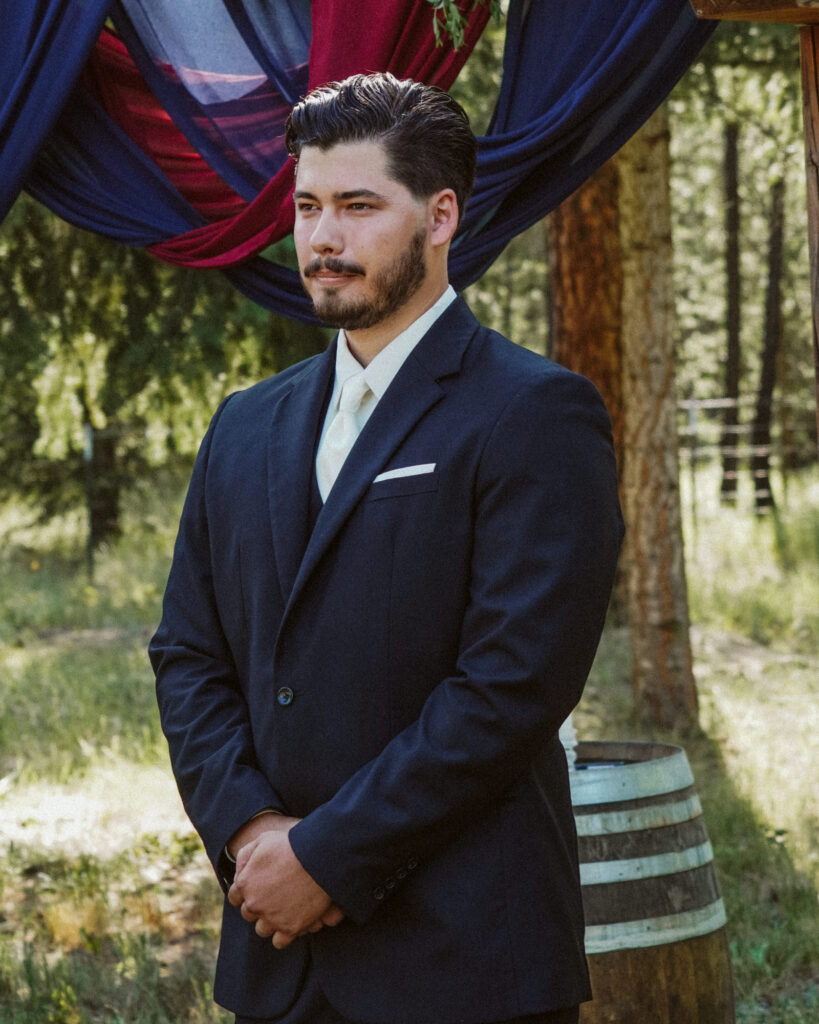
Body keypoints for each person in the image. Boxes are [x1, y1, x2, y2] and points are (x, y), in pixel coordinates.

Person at [150, 72, 623, 1024]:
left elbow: (511, 688)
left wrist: (326, 857)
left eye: (359, 207)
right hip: (278, 960)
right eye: (309, 206)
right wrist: (252, 835)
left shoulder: (533, 414)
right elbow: (188, 654)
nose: (323, 240)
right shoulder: (243, 425)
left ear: (439, 215)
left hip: (467, 964)